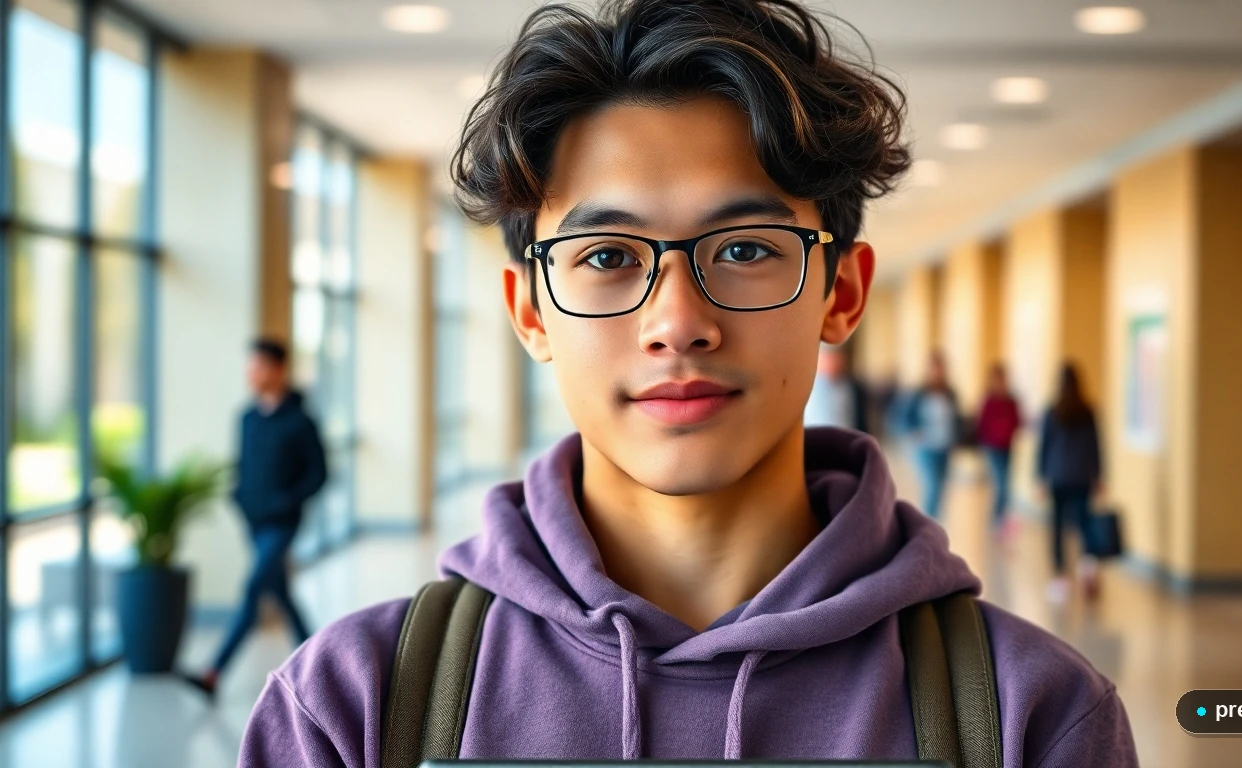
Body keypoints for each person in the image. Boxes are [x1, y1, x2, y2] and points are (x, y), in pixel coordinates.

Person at [240, 1, 1136, 764]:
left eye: (744, 250)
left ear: (842, 293)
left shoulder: (1030, 716)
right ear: (530, 312)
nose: (677, 321)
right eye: (607, 256)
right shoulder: (352, 708)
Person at [184, 338, 327, 701]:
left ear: (278, 370)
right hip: (253, 522)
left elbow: (319, 474)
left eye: (259, 366)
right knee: (280, 595)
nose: (252, 373)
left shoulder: (301, 421)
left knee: (252, 591)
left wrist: (287, 500)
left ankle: (214, 673)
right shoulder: (246, 418)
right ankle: (321, 665)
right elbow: (244, 466)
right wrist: (239, 496)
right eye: (250, 367)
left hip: (282, 524)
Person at [1037, 362, 1104, 605]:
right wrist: (1099, 476)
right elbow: (1096, 445)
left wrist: (1041, 476)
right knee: (1084, 522)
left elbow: (1044, 446)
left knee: (1057, 526)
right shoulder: (1088, 411)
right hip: (1082, 476)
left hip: (1058, 475)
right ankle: (1087, 565)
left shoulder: (1052, 411)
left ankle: (1060, 576)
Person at [900, 352, 960, 519]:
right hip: (925, 446)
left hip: (944, 445)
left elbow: (956, 419)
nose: (937, 372)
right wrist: (914, 431)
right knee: (932, 484)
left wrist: (957, 437)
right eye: (934, 369)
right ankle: (927, 522)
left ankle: (935, 520)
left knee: (941, 486)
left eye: (940, 368)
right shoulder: (918, 393)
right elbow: (903, 418)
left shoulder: (950, 393)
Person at [977, 363, 1022, 535]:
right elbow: (981, 424)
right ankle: (997, 519)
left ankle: (1000, 518)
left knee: (1005, 484)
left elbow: (1018, 421)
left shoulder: (1011, 400)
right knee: (1001, 484)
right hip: (992, 447)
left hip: (1007, 447)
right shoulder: (989, 400)